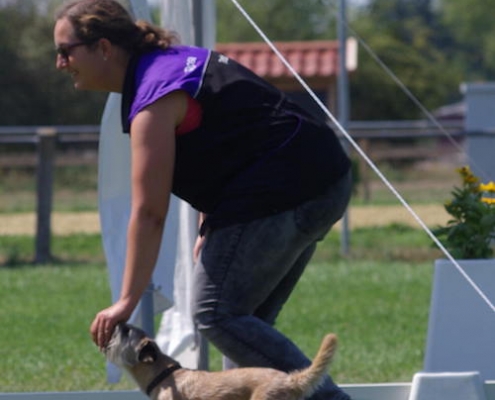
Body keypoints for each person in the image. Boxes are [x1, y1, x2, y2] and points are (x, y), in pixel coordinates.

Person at [53, 1, 352, 399]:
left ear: (104, 47)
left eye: (65, 51)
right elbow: (237, 132)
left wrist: (125, 302)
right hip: (325, 176)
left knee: (216, 314)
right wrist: (212, 221)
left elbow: (149, 212)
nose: (60, 63)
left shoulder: (154, 95)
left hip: (289, 187)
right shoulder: (168, 64)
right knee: (244, 328)